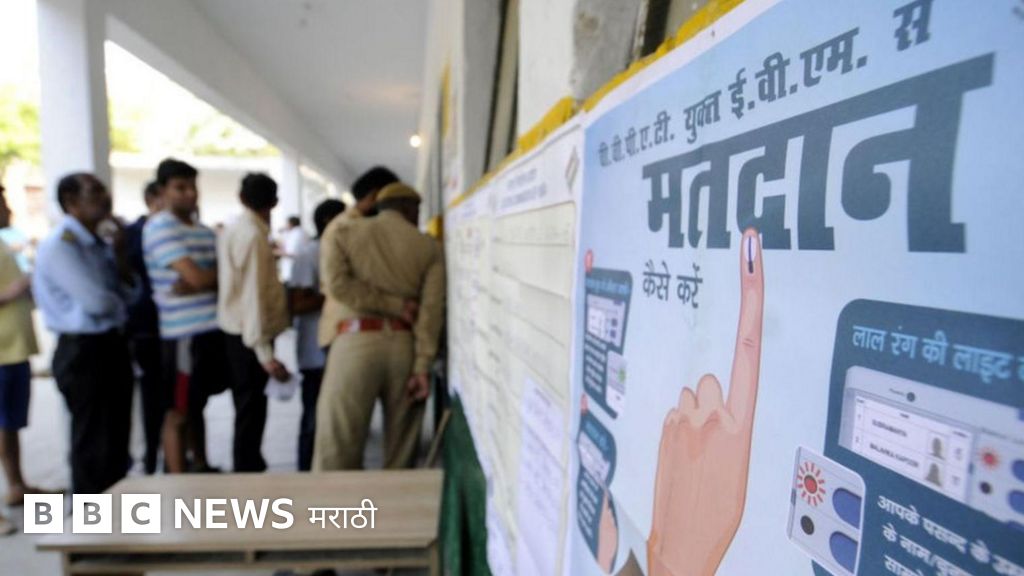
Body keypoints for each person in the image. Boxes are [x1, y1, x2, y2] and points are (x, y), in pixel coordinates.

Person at [313, 182, 445, 471]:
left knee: (337, 446)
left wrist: (389, 304)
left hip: (354, 342)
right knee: (402, 452)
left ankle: (335, 500)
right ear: (411, 209)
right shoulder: (429, 248)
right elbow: (431, 313)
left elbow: (337, 285)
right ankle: (394, 500)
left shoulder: (345, 233)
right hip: (404, 348)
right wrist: (422, 367)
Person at [33, 173, 135, 495]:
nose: (105, 198)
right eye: (94, 192)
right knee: (93, 443)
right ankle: (90, 519)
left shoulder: (98, 242)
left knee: (115, 439)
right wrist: (119, 302)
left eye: (103, 190)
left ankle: (115, 514)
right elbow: (97, 302)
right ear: (71, 202)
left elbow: (128, 291)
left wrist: (120, 256)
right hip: (84, 351)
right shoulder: (61, 245)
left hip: (109, 345)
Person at [144, 159, 226, 474]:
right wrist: (207, 279)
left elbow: (213, 278)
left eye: (193, 186)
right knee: (177, 410)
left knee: (196, 405)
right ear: (163, 191)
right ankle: (177, 479)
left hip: (211, 329)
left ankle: (201, 465)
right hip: (183, 334)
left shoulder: (203, 231)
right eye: (180, 188)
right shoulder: (160, 228)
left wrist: (205, 280)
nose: (190, 194)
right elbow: (199, 278)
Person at [217, 172, 290, 472]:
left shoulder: (236, 229)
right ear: (274, 202)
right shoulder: (253, 236)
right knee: (251, 410)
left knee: (248, 408)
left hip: (240, 333)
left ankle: (248, 465)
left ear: (241, 198)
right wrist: (264, 353)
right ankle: (247, 470)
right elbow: (252, 297)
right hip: (249, 337)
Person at [0, 185, 48, 535]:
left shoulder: (5, 243)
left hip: (14, 348)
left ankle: (17, 485)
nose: (8, 208)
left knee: (11, 424)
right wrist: (12, 292)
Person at [316, 166, 401, 351]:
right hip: (345, 333)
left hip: (366, 331)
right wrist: (397, 306)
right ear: (375, 195)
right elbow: (339, 285)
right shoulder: (343, 229)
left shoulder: (365, 225)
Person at [288, 199, 345, 471]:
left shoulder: (342, 249)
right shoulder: (309, 254)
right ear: (328, 221)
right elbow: (297, 304)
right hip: (314, 351)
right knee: (313, 416)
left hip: (339, 346)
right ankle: (306, 471)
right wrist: (338, 294)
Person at [123, 181, 164, 474]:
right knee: (149, 399)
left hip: (171, 326)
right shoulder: (132, 235)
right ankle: (148, 459)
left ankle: (175, 456)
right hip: (145, 327)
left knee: (174, 400)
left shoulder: (179, 230)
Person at [278, 215, 306, 283]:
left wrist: (276, 253)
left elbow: (292, 253)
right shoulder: (296, 233)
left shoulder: (297, 234)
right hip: (295, 270)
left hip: (293, 270)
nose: (285, 226)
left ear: (291, 224)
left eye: (287, 223)